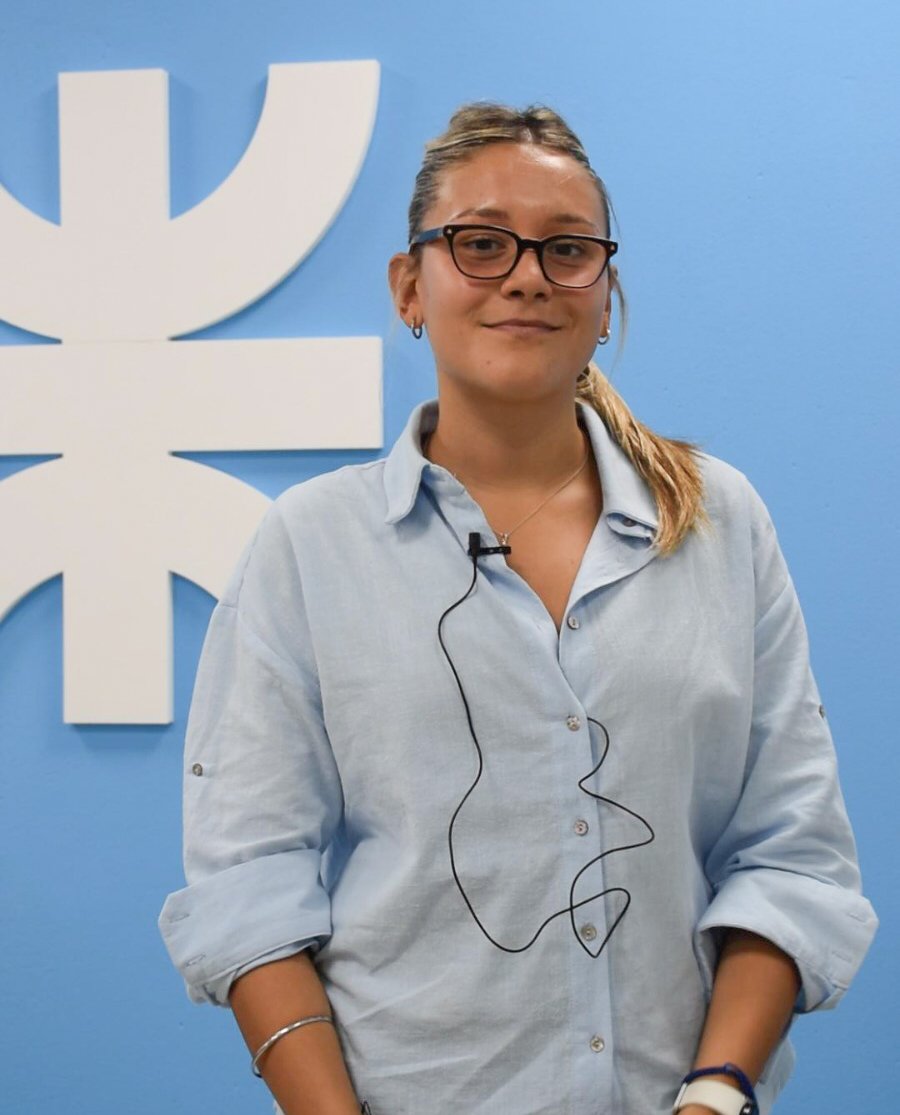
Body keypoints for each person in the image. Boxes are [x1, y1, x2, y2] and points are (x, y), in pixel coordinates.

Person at [159, 103, 877, 1115]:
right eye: (481, 243)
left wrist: (716, 1091)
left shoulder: (719, 521)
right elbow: (249, 881)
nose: (529, 276)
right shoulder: (310, 545)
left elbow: (789, 849)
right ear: (411, 286)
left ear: (605, 294)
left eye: (567, 249)